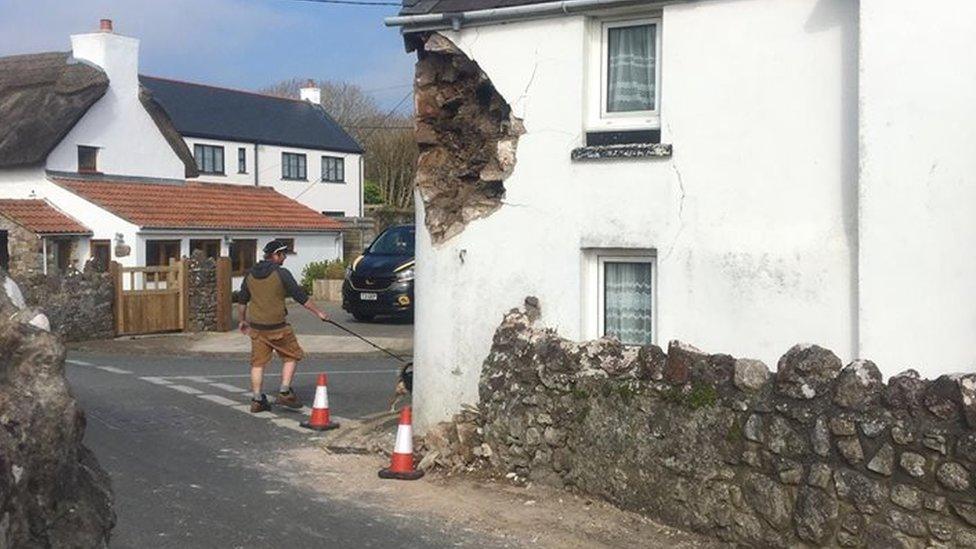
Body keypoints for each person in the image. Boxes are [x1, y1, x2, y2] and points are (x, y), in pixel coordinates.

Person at [238, 240, 328, 413]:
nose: (285, 257)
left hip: (257, 328)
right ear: (275, 255)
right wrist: (319, 313)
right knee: (292, 355)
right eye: (283, 254)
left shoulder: (249, 275)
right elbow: (300, 297)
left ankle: (257, 400)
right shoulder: (282, 274)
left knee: (258, 364)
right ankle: (285, 392)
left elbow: (242, 301)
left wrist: (242, 321)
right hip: (278, 327)